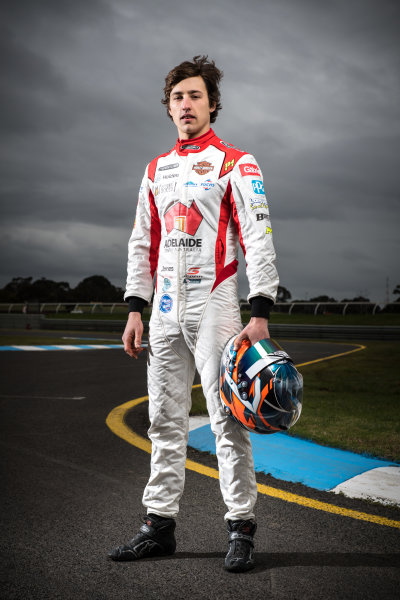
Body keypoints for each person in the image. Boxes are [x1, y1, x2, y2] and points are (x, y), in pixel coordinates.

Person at [108, 55, 279, 572]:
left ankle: (241, 528)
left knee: (228, 420)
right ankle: (158, 527)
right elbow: (143, 241)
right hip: (161, 308)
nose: (186, 104)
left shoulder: (237, 162)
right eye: (178, 97)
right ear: (168, 107)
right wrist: (134, 308)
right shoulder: (155, 168)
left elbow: (258, 234)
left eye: (195, 95)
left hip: (218, 305)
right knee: (164, 421)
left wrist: (261, 309)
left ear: (211, 104)